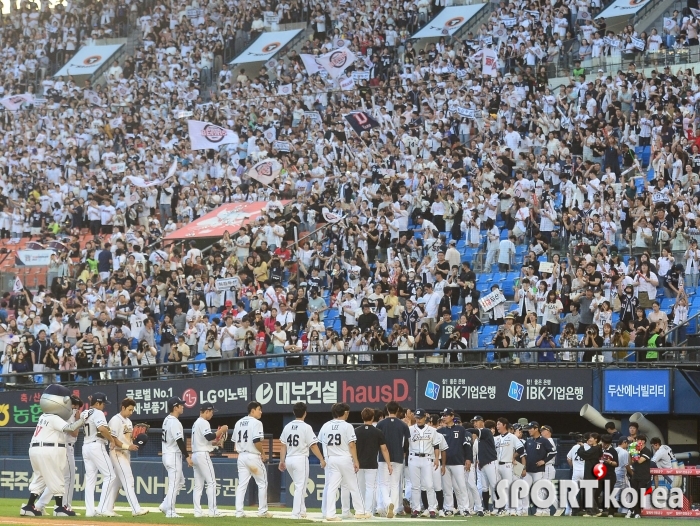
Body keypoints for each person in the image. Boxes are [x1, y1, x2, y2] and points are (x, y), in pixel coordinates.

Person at [21, 385, 86, 518]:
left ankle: (29, 506)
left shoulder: (43, 416)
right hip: (49, 449)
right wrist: (82, 419)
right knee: (58, 477)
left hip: (34, 449)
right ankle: (60, 508)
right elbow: (71, 428)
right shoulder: (53, 417)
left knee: (40, 478)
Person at [319, 402, 370, 521]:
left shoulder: (326, 425)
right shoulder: (347, 426)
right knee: (354, 485)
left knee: (332, 487)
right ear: (345, 412)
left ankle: (330, 514)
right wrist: (356, 461)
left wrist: (326, 457)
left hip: (331, 458)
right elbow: (351, 445)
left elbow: (322, 443)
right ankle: (360, 511)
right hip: (345, 458)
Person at [279, 402, 326, 520]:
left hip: (289, 458)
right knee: (300, 487)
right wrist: (321, 459)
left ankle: (302, 510)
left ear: (294, 412)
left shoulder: (287, 426)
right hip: (300, 459)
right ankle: (296, 513)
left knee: (299, 485)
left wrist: (281, 460)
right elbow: (313, 446)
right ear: (305, 413)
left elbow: (283, 446)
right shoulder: (306, 427)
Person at [103, 398, 148, 517]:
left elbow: (129, 439)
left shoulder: (128, 421)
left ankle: (108, 509)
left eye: (133, 410)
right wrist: (127, 447)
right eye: (129, 409)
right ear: (123, 408)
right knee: (129, 479)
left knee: (117, 483)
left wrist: (135, 441)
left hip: (126, 453)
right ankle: (135, 509)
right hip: (117, 452)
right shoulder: (115, 420)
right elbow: (113, 439)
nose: (131, 412)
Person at [232, 401, 273, 518]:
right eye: (259, 409)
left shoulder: (238, 422)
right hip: (252, 456)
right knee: (262, 483)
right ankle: (262, 511)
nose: (261, 412)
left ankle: (239, 512)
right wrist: (263, 454)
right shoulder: (256, 423)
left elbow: (234, 445)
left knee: (242, 485)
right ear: (252, 410)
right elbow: (256, 441)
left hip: (241, 456)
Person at [82, 392, 118, 518]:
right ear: (97, 403)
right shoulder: (98, 413)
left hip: (86, 446)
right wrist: (112, 440)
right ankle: (102, 508)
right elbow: (102, 429)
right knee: (110, 475)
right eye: (103, 403)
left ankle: (89, 511)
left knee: (90, 479)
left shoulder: (85, 413)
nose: (104, 406)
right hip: (96, 446)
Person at [191, 403, 229, 518]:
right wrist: (221, 430)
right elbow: (209, 436)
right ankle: (213, 511)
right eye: (212, 412)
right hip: (202, 455)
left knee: (198, 485)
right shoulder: (204, 422)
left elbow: (206, 440)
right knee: (211, 482)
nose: (212, 414)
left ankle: (197, 512)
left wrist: (215, 444)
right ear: (207, 411)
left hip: (195, 454)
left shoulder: (196, 423)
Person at [355, 407, 392, 517]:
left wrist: (353, 461)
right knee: (370, 488)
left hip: (359, 463)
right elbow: (384, 449)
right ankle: (368, 511)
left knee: (360, 487)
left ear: (362, 417)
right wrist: (389, 464)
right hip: (372, 464)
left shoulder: (356, 431)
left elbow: (351, 446)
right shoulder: (378, 432)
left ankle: (360, 510)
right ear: (372, 417)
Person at [376, 400, 410, 518]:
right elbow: (406, 442)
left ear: (387, 410)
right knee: (395, 484)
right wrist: (404, 452)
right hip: (398, 456)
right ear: (398, 410)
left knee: (383, 483)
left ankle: (384, 504)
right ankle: (394, 510)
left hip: (383, 457)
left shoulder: (380, 424)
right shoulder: (403, 425)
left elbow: (377, 441)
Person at [160, 396, 193, 519]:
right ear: (175, 407)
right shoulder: (174, 421)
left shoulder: (167, 420)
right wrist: (187, 456)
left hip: (167, 454)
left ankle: (165, 504)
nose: (183, 406)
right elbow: (179, 441)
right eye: (180, 405)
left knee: (180, 481)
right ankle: (171, 511)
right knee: (174, 484)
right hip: (172, 455)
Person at [407, 408, 442, 518]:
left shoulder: (432, 430)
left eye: (420, 418)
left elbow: (436, 445)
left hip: (427, 458)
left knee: (429, 485)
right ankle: (416, 508)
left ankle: (432, 508)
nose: (418, 420)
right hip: (413, 457)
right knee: (415, 486)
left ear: (425, 418)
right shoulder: (410, 429)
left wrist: (436, 458)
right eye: (416, 417)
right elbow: (405, 445)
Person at [437, 408, 471, 517]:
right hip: (445, 463)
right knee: (447, 487)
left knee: (461, 486)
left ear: (452, 416)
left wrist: (468, 458)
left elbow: (467, 445)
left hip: (458, 462)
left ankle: (465, 508)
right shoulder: (440, 431)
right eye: (443, 415)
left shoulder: (460, 429)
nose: (444, 417)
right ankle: (449, 508)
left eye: (446, 415)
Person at [465, 416, 498, 516]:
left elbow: (473, 430)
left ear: (482, 422)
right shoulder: (479, 437)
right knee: (484, 488)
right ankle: (486, 509)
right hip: (483, 464)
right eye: (474, 422)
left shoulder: (486, 431)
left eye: (477, 421)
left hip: (491, 462)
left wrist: (462, 430)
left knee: (494, 485)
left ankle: (499, 508)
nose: (475, 423)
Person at [494, 417, 526, 516]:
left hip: (507, 464)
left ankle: (512, 509)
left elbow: (521, 449)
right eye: (497, 424)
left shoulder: (512, 437)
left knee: (509, 487)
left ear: (504, 425)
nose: (497, 426)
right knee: (499, 487)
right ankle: (502, 509)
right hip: (497, 464)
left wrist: (513, 456)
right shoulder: (496, 438)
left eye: (499, 424)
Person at [523, 422, 556, 516]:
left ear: (536, 428)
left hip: (538, 469)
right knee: (525, 489)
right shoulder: (528, 440)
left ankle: (543, 510)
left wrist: (544, 461)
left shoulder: (544, 440)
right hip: (528, 469)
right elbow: (523, 455)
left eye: (530, 429)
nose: (529, 430)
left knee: (539, 490)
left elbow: (553, 452)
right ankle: (524, 510)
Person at [626, 435, 652, 519]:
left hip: (644, 476)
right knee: (634, 493)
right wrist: (630, 453)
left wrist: (634, 452)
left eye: (639, 440)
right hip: (635, 475)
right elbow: (630, 462)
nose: (637, 442)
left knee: (639, 493)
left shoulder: (646, 451)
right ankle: (634, 511)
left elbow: (640, 461)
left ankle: (634, 511)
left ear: (643, 441)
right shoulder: (636, 450)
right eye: (636, 440)